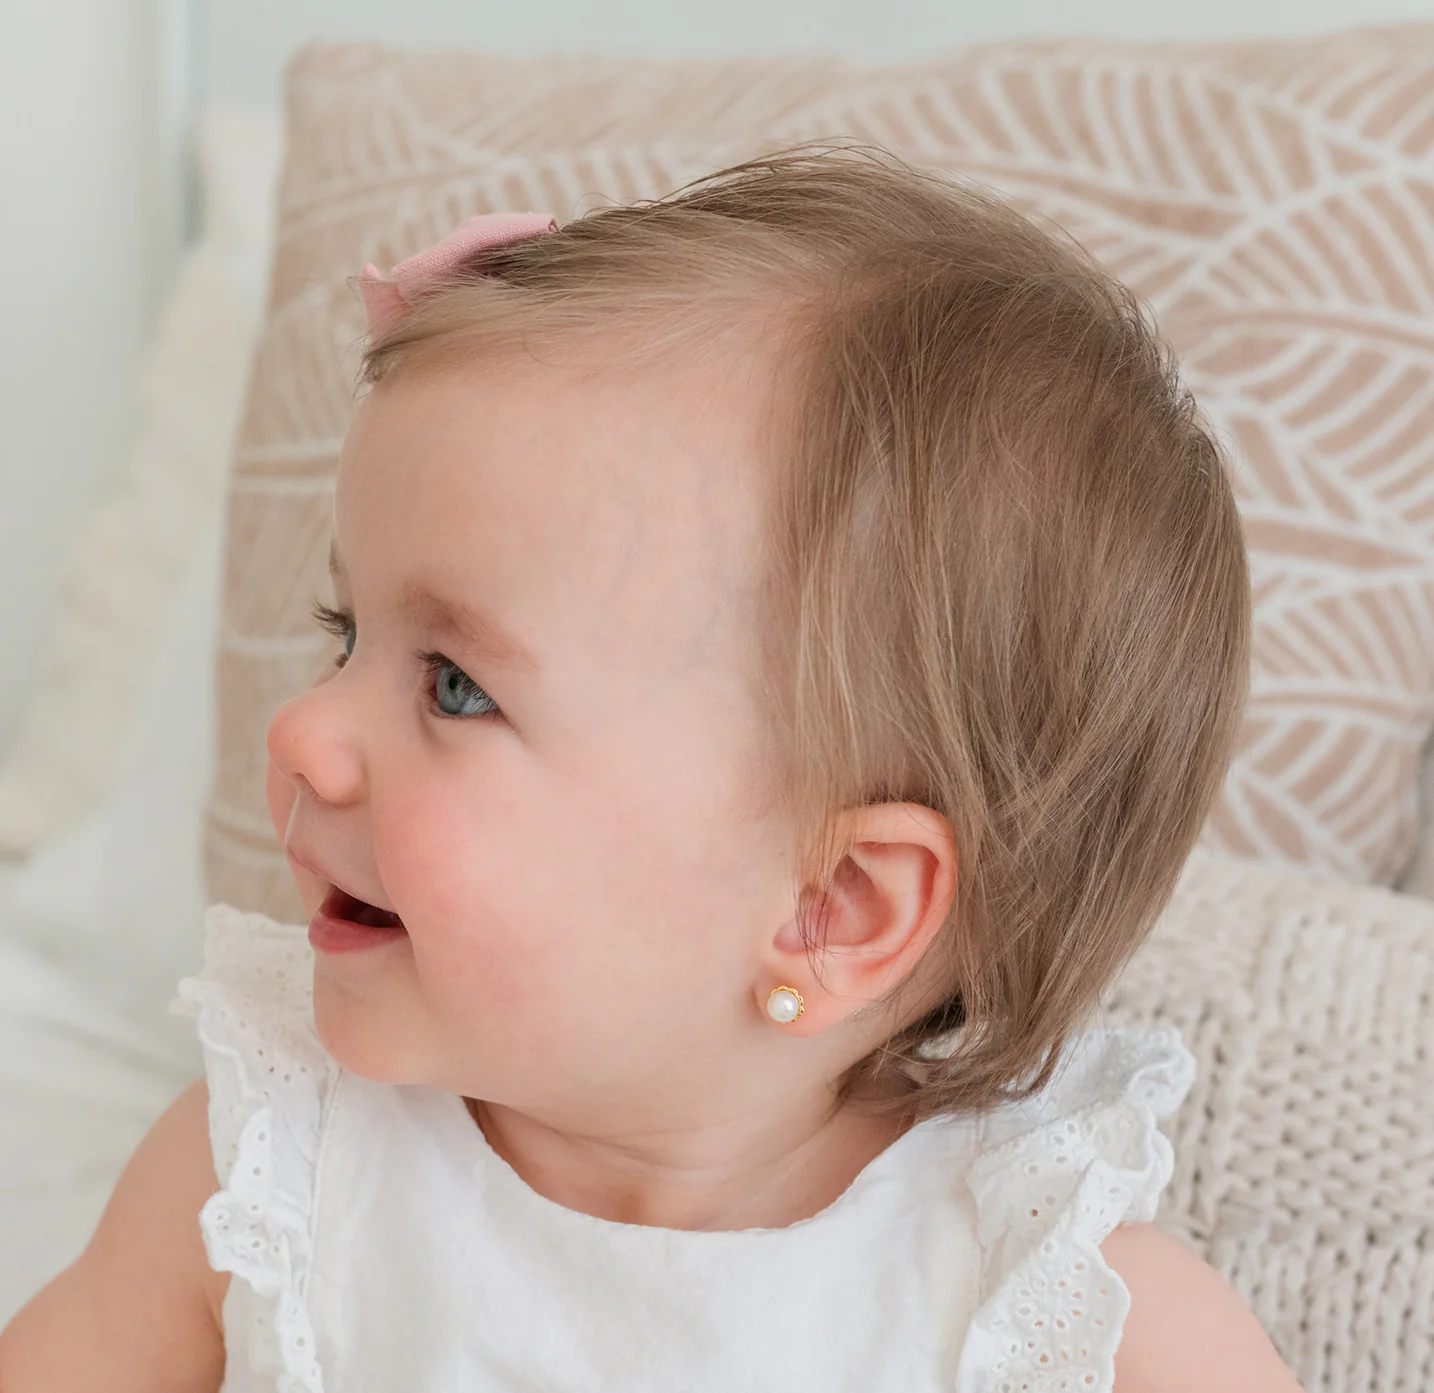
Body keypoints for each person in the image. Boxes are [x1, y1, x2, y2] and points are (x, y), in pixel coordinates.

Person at [0, 144, 1303, 1391]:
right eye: (348, 636)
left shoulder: (1044, 1310)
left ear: (832, 906)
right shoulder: (272, 1171)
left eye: (456, 686)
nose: (301, 731)